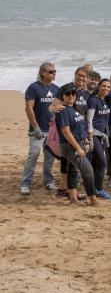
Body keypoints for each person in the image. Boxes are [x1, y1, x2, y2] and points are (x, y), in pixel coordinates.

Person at [20, 62, 59, 195]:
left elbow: (57, 108)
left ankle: (48, 181)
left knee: (49, 158)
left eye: (54, 72)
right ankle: (25, 183)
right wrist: (35, 126)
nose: (53, 74)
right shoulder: (33, 87)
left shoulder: (56, 89)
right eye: (50, 71)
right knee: (34, 155)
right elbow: (28, 108)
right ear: (42, 73)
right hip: (37, 129)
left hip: (52, 130)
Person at [55, 83, 97, 206]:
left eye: (73, 93)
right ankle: (93, 199)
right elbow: (66, 132)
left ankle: (73, 198)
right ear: (63, 96)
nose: (71, 96)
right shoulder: (63, 111)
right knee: (88, 170)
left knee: (73, 170)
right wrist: (78, 148)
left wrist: (87, 141)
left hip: (80, 143)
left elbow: (82, 127)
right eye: (67, 94)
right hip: (70, 146)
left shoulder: (75, 108)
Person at [86, 78, 111, 199]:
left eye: (108, 87)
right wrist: (90, 138)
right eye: (104, 86)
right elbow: (89, 120)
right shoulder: (93, 100)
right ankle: (99, 189)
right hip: (94, 135)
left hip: (102, 135)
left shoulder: (105, 100)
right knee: (102, 162)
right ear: (99, 86)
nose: (106, 89)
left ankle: (93, 188)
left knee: (97, 163)